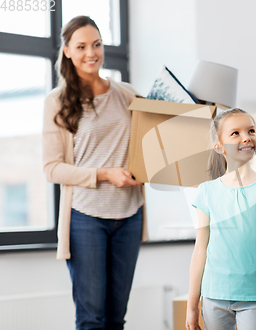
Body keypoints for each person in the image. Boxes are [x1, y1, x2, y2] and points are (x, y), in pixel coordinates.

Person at [42, 16, 148, 330]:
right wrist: (104, 174)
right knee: (91, 319)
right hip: (85, 217)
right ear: (67, 52)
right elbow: (51, 169)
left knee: (117, 318)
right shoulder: (56, 102)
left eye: (97, 44)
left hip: (129, 215)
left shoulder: (127, 93)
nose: (92, 52)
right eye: (82, 46)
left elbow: (154, 139)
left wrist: (146, 169)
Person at [186, 108, 256, 330]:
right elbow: (200, 250)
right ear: (219, 147)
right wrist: (192, 305)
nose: (246, 137)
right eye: (235, 133)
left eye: (251, 130)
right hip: (214, 296)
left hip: (254, 297)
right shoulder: (206, 192)